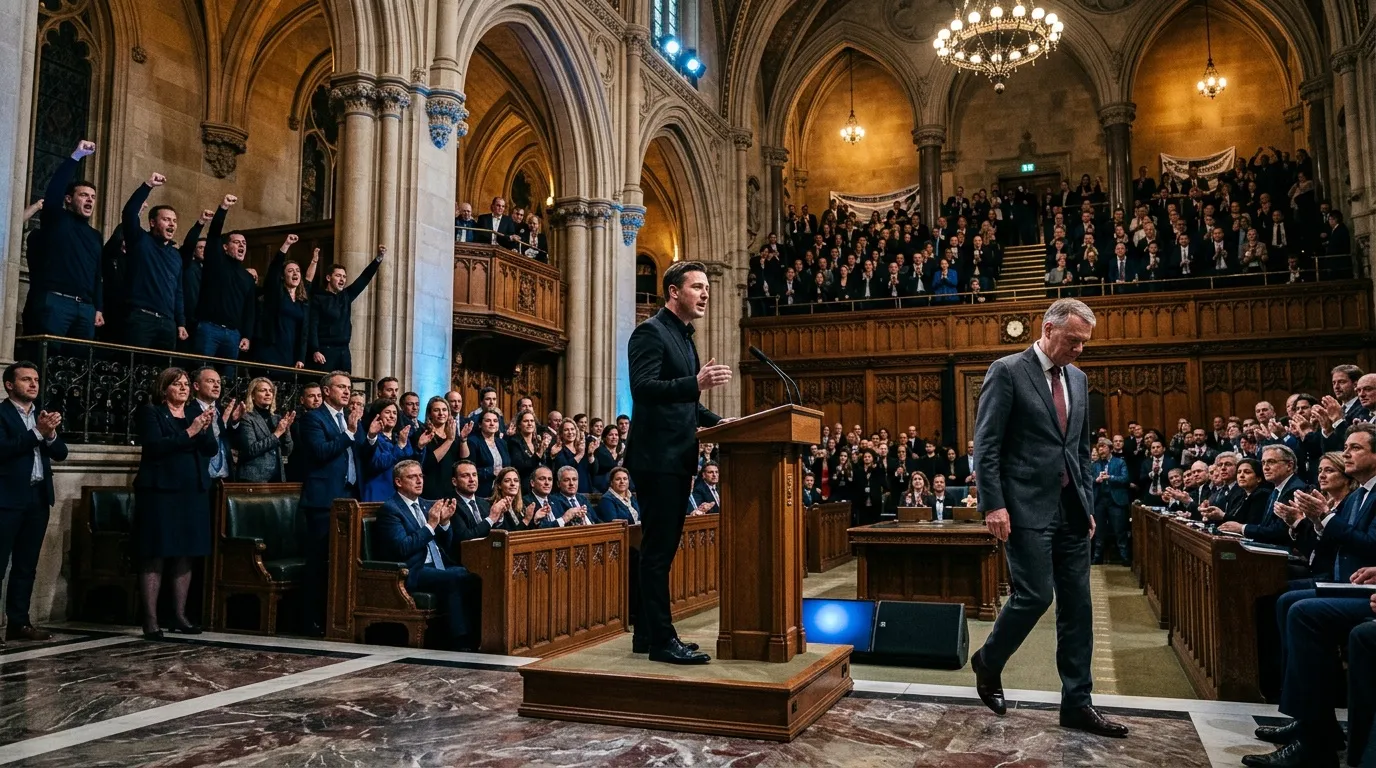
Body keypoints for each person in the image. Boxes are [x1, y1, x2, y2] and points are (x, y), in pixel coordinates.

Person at [970, 299, 1128, 738]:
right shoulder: (1007, 371)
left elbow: (1078, 450)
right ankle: (989, 660)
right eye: (1073, 340)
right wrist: (993, 504)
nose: (1080, 349)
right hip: (1023, 507)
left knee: (1078, 607)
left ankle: (1078, 703)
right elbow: (986, 444)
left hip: (1072, 510)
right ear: (1048, 329)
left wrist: (1088, 506)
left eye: (1085, 343)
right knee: (1035, 596)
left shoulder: (1078, 377)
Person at [625, 260, 729, 665]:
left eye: (707, 287)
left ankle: (646, 634)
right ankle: (662, 641)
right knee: (658, 552)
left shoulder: (684, 337)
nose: (705, 293)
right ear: (673, 291)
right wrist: (696, 383)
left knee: (660, 551)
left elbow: (686, 402)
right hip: (658, 458)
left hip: (675, 457)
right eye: (697, 287)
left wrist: (722, 423)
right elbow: (644, 389)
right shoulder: (650, 332)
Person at [133, 367, 218, 638]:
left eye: (184, 384)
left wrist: (205, 428)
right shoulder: (152, 413)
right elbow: (155, 447)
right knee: (155, 553)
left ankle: (179, 616)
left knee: (186, 553)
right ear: (164, 388)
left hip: (192, 491)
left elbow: (211, 449)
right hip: (160, 492)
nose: (183, 388)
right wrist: (190, 432)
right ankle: (151, 619)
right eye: (176, 384)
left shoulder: (194, 413)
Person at [296, 372, 377, 634]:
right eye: (341, 387)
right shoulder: (313, 419)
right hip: (323, 500)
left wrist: (371, 437)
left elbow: (362, 452)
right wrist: (349, 432)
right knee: (319, 561)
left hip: (350, 496)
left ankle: (339, 617)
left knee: (345, 561)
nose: (346, 392)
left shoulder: (350, 418)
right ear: (326, 391)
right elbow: (320, 452)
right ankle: (310, 619)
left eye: (348, 388)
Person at [372, 460, 478, 649]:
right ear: (398, 482)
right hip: (412, 569)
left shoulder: (425, 504)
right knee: (457, 576)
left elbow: (444, 543)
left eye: (421, 476)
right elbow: (402, 548)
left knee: (474, 574)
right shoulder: (391, 510)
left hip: (436, 564)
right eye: (412, 477)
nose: (419, 481)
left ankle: (477, 633)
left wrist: (444, 523)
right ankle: (460, 640)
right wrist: (430, 525)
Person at [0, 362, 68, 643]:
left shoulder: (40, 416)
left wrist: (50, 434)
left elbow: (61, 453)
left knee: (26, 566)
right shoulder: (2, 414)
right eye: (26, 379)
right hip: (6, 499)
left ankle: (19, 623)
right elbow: (4, 450)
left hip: (37, 498)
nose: (33, 384)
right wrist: (38, 433)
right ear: (9, 385)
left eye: (36, 380)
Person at [27, 140, 105, 339]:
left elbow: (96, 275)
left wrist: (98, 307)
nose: (89, 200)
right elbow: (54, 191)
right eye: (84, 195)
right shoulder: (57, 219)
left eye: (93, 197)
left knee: (78, 364)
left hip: (86, 308)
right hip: (55, 301)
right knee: (48, 357)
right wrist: (75, 157)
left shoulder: (95, 235)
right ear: (68, 199)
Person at [122, 173, 187, 349]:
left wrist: (180, 322)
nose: (172, 224)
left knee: (164, 374)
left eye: (174, 221)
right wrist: (148, 185)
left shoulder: (175, 255)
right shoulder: (140, 241)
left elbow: (178, 292)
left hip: (168, 324)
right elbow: (129, 214)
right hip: (141, 318)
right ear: (152, 222)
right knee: (135, 369)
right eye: (166, 220)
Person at [191, 195, 257, 364]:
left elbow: (250, 310)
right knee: (202, 372)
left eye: (244, 243)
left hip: (233, 334)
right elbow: (213, 236)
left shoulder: (247, 278)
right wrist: (223, 208)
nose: (242, 245)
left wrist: (247, 336)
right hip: (209, 329)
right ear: (225, 247)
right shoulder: (216, 261)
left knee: (227, 380)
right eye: (236, 242)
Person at [307, 246, 385, 372]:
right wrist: (315, 350)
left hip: (343, 351)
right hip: (325, 350)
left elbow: (364, 279)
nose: (342, 279)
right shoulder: (318, 298)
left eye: (344, 276)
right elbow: (312, 326)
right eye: (338, 276)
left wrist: (378, 259)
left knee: (345, 384)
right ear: (328, 278)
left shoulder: (346, 296)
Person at [257, 236, 316, 369]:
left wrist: (301, 357)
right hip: (272, 349)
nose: (295, 273)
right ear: (283, 276)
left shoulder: (302, 300)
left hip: (292, 353)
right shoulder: (276, 293)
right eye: (290, 271)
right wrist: (286, 244)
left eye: (297, 271)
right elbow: (273, 270)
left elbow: (305, 331)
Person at [233, 377, 295, 483]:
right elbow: (251, 450)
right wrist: (277, 433)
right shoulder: (247, 418)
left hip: (277, 478)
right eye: (263, 390)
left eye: (270, 391)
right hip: (254, 478)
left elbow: (286, 451)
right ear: (252, 395)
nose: (268, 393)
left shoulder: (277, 418)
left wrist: (287, 431)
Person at [359, 398, 417, 502]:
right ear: (377, 415)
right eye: (387, 412)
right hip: (378, 493)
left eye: (395, 413)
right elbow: (377, 463)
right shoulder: (371, 438)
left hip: (401, 493)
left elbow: (411, 464)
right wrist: (399, 447)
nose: (392, 416)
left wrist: (421, 447)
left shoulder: (400, 436)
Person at [419, 396, 469, 500]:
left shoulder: (451, 433)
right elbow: (429, 462)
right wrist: (449, 440)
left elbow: (464, 460)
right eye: (436, 410)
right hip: (432, 488)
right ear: (429, 414)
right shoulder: (423, 433)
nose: (441, 413)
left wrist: (463, 440)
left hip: (452, 489)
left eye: (444, 410)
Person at [1090, 440, 1131, 565]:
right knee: (1099, 531)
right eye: (1099, 447)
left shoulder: (1119, 462)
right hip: (1100, 500)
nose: (1100, 450)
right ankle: (1097, 558)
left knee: (1119, 531)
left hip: (1115, 501)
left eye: (1103, 447)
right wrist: (1096, 480)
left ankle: (1124, 558)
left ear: (1110, 448)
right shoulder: (1095, 465)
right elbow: (1087, 480)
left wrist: (1110, 477)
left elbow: (1125, 479)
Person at [463, 409, 511, 497]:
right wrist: (490, 471)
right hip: (482, 492)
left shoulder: (502, 443)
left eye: (495, 421)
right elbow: (467, 470)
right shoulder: (473, 442)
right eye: (488, 421)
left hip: (501, 492)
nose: (492, 424)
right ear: (480, 424)